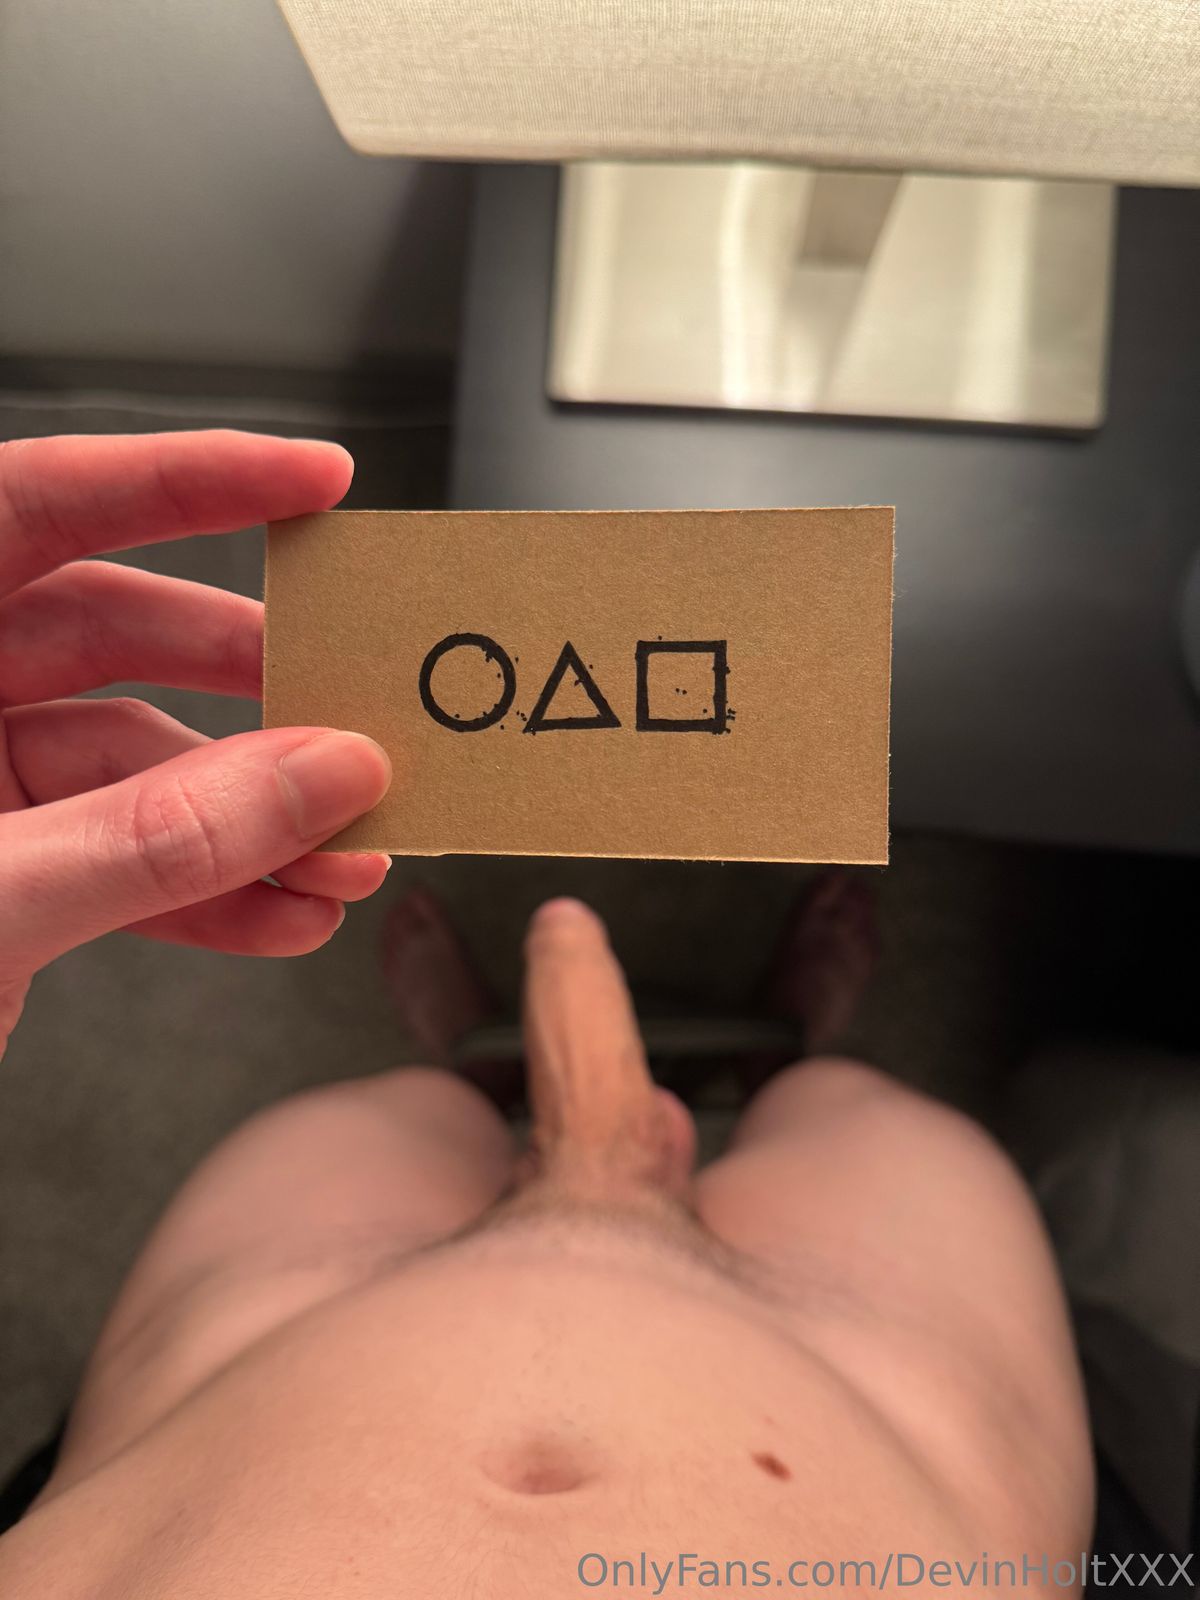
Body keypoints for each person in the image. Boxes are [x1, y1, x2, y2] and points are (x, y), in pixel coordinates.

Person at [0, 431, 1092, 1597]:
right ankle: (777, 1060)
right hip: (895, 1423)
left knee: (399, 1112)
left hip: (235, 1375)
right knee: (852, 1106)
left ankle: (478, 1080)